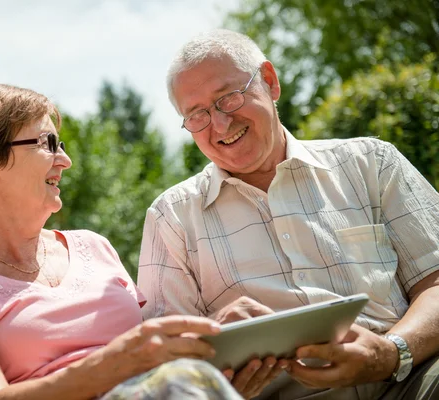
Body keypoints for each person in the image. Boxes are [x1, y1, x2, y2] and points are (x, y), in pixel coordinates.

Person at [137, 29, 439, 399]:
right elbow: (165, 365)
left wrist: (392, 352)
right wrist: (213, 361)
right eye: (196, 115)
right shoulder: (172, 217)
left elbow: (435, 282)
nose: (220, 125)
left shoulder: (372, 164)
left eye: (228, 98)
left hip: (408, 382)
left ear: (269, 81)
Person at [0, 83, 245, 400]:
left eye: (61, 145)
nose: (65, 160)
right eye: (46, 143)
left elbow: (147, 356)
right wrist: (108, 366)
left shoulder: (94, 246)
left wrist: (218, 333)